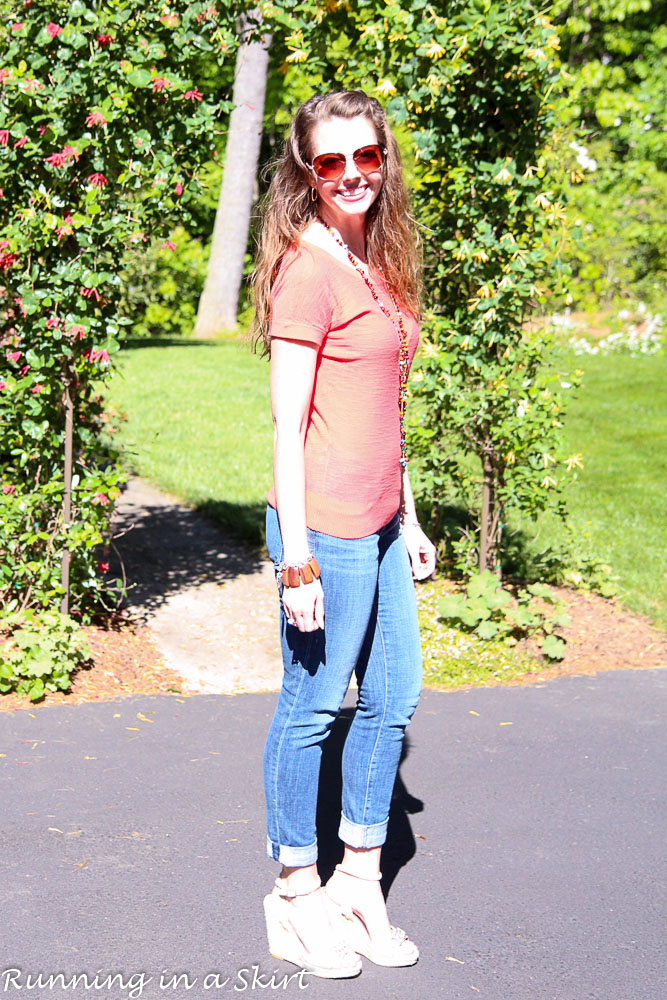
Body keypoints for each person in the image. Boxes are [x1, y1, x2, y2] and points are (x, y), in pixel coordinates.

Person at [250, 89, 436, 980]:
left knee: (393, 698)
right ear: (305, 171)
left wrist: (410, 512)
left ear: (382, 158)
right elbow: (287, 427)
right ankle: (293, 894)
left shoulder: (377, 258)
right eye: (331, 162)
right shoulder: (308, 270)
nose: (352, 175)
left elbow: (382, 405)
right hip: (322, 525)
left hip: (382, 518)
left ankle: (359, 881)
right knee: (315, 705)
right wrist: (296, 562)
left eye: (365, 157)